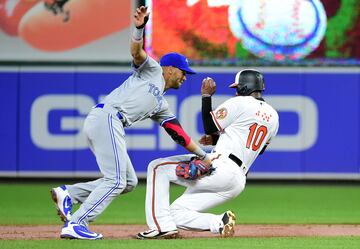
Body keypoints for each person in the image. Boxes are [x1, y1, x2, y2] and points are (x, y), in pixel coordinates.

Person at [50, 6, 212, 240]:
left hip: (107, 121)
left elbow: (178, 134)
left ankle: (69, 194)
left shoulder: (161, 104)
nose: (185, 76)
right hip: (108, 118)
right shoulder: (153, 70)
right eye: (183, 71)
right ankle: (77, 222)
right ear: (169, 69)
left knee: (127, 182)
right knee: (115, 180)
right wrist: (139, 28)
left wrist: (203, 155)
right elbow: (137, 53)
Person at [137, 69, 279, 239]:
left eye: (237, 87)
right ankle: (220, 222)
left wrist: (206, 96)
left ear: (243, 88)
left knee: (157, 167)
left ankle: (159, 227)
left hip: (221, 167)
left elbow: (210, 127)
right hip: (237, 182)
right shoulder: (273, 116)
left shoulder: (240, 102)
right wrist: (218, 140)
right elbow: (257, 148)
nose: (235, 91)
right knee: (175, 213)